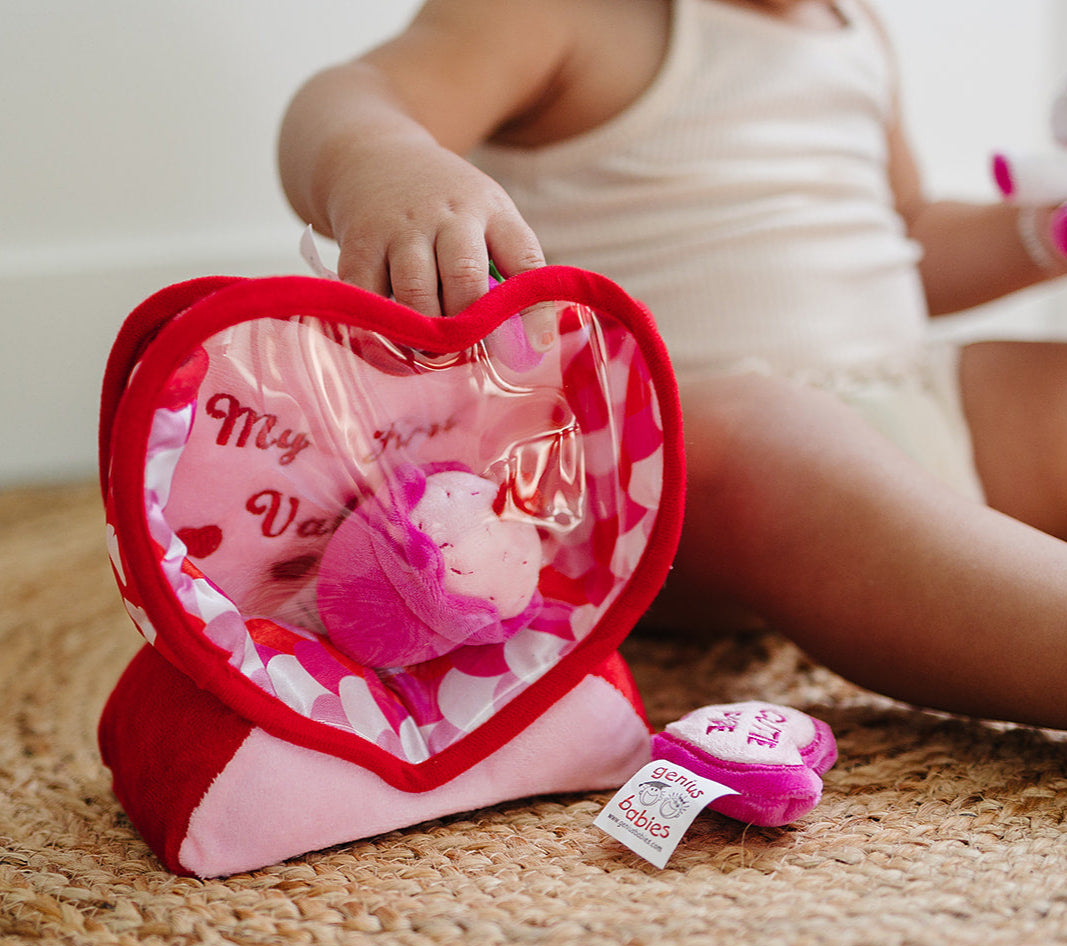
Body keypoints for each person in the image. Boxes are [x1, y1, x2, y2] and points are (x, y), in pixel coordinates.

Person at [278, 0, 1067, 728]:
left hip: (891, 395)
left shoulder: (850, 27)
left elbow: (905, 239)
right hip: (645, 458)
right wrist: (382, 161)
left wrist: (1039, 232)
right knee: (769, 439)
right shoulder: (563, 14)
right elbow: (358, 91)